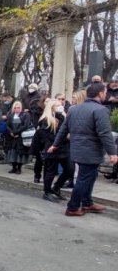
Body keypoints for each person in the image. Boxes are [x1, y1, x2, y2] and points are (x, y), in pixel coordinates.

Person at [48, 82, 118, 216]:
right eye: (105, 92)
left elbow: (63, 130)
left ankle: (87, 202)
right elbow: (104, 133)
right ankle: (72, 207)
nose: (106, 94)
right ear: (100, 94)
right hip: (91, 151)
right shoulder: (101, 110)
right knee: (84, 178)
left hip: (77, 150)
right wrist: (113, 153)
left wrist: (55, 144)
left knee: (90, 176)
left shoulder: (74, 109)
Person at [32, 100, 72, 203]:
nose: (61, 106)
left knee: (69, 170)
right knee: (51, 172)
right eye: (58, 105)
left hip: (64, 148)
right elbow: (46, 136)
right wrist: (62, 139)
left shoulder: (63, 117)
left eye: (60, 105)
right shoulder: (46, 120)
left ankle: (56, 187)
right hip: (52, 148)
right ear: (52, 107)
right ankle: (47, 192)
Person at [5, 102, 31, 175]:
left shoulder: (25, 115)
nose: (17, 109)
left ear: (21, 108)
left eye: (18, 107)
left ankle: (19, 168)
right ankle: (14, 167)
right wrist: (11, 133)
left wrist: (16, 132)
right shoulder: (10, 115)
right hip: (12, 138)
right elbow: (7, 125)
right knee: (13, 152)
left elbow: (25, 125)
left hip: (21, 137)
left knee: (20, 153)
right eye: (15, 108)